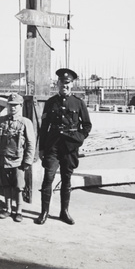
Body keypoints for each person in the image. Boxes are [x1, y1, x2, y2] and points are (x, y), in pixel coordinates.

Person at [35, 68, 92, 225]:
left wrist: (78, 140)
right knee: (48, 178)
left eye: (67, 83)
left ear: (72, 84)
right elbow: (43, 127)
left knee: (67, 179)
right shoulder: (50, 102)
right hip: (52, 146)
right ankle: (44, 212)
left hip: (69, 148)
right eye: (61, 83)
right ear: (57, 84)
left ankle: (64, 212)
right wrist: (41, 148)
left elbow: (87, 126)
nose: (64, 86)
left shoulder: (79, 103)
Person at [0, 93, 35, 222]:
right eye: (10, 105)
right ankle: (8, 209)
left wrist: (27, 161)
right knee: (5, 185)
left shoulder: (25, 122)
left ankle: (19, 210)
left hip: (18, 161)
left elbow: (31, 144)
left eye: (15, 105)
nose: (12, 108)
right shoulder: (0, 121)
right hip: (3, 159)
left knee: (19, 187)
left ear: (21, 106)